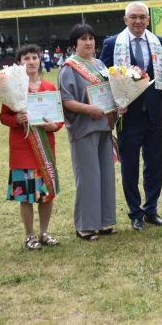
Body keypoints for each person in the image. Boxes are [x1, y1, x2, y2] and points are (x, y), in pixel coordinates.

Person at [101, 2, 162, 231]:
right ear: (125, 20)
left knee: (155, 164)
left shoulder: (158, 42)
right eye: (133, 17)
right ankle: (135, 213)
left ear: (148, 20)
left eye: (142, 17)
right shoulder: (112, 44)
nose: (138, 21)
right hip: (127, 115)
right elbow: (104, 80)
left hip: (153, 113)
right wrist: (112, 109)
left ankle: (151, 209)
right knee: (129, 166)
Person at [0, 45, 63, 250]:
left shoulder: (50, 87)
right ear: (19, 63)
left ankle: (44, 232)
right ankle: (29, 235)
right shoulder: (12, 89)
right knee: (25, 195)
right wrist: (16, 119)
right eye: (26, 58)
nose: (32, 61)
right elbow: (3, 117)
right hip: (23, 149)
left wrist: (53, 126)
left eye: (35, 57)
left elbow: (58, 119)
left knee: (47, 194)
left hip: (45, 147)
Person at [59, 24, 118, 239]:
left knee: (105, 175)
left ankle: (105, 222)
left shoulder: (100, 64)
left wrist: (119, 102)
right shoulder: (69, 68)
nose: (88, 42)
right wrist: (88, 109)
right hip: (84, 128)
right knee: (88, 177)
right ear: (74, 43)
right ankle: (85, 226)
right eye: (83, 39)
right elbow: (65, 100)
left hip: (104, 126)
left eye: (91, 38)